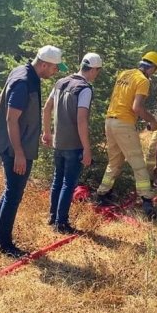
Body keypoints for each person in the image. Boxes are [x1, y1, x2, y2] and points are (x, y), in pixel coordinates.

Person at [0, 45, 67, 258]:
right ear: (44, 64)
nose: (56, 72)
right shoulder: (24, 81)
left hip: (16, 144)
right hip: (15, 148)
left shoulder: (23, 72)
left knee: (10, 190)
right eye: (55, 68)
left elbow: (2, 100)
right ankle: (4, 245)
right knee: (14, 194)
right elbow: (11, 118)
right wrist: (19, 152)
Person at [95, 52, 157, 218]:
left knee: (114, 162)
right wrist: (153, 121)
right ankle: (147, 202)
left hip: (109, 122)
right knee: (138, 164)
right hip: (124, 124)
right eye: (154, 70)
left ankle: (102, 194)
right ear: (152, 68)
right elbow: (137, 108)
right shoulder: (143, 80)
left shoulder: (124, 74)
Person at [42, 52, 103, 234]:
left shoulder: (60, 82)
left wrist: (47, 133)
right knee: (68, 184)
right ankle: (61, 223)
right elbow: (81, 119)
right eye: (97, 71)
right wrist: (87, 149)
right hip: (74, 144)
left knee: (57, 181)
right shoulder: (85, 89)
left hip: (58, 143)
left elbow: (46, 108)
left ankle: (53, 217)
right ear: (92, 70)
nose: (97, 74)